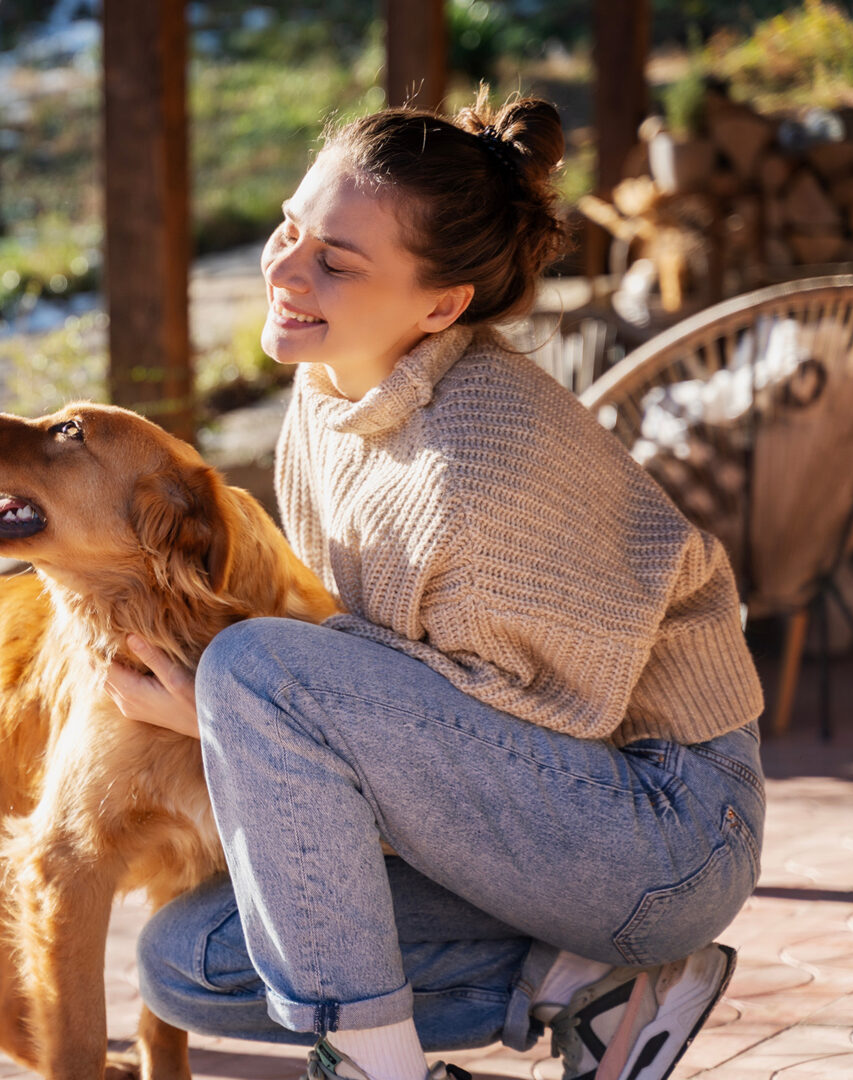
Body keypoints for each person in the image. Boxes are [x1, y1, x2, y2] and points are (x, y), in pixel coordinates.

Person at [104, 92, 766, 1080]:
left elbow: (544, 722)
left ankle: (375, 1068)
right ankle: (594, 986)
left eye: (336, 260)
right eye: (291, 227)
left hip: (665, 832)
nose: (285, 269)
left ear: (442, 305)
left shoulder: (483, 459)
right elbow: (399, 719)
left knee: (251, 674)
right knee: (191, 965)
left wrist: (219, 710)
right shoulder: (331, 389)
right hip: (539, 820)